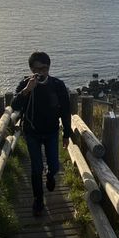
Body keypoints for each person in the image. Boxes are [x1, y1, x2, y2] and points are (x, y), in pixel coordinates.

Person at [11, 51, 71, 216]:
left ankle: (50, 175)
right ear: (31, 69)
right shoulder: (26, 84)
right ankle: (38, 200)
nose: (41, 73)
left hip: (52, 132)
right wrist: (27, 90)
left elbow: (66, 111)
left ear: (49, 67)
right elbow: (14, 105)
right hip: (32, 133)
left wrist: (67, 134)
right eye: (37, 69)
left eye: (44, 68)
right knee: (36, 168)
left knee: (55, 166)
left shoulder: (57, 85)